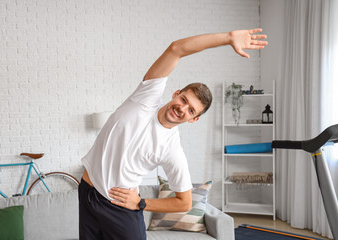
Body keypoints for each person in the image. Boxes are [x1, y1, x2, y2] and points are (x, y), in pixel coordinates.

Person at [78, 28, 268, 240]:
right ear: (176, 94)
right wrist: (228, 38)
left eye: (191, 111)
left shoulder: (172, 150)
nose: (182, 109)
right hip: (87, 191)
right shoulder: (146, 97)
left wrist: (141, 203)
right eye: (184, 100)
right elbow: (176, 49)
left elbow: (185, 202)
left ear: (193, 119)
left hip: (120, 208)